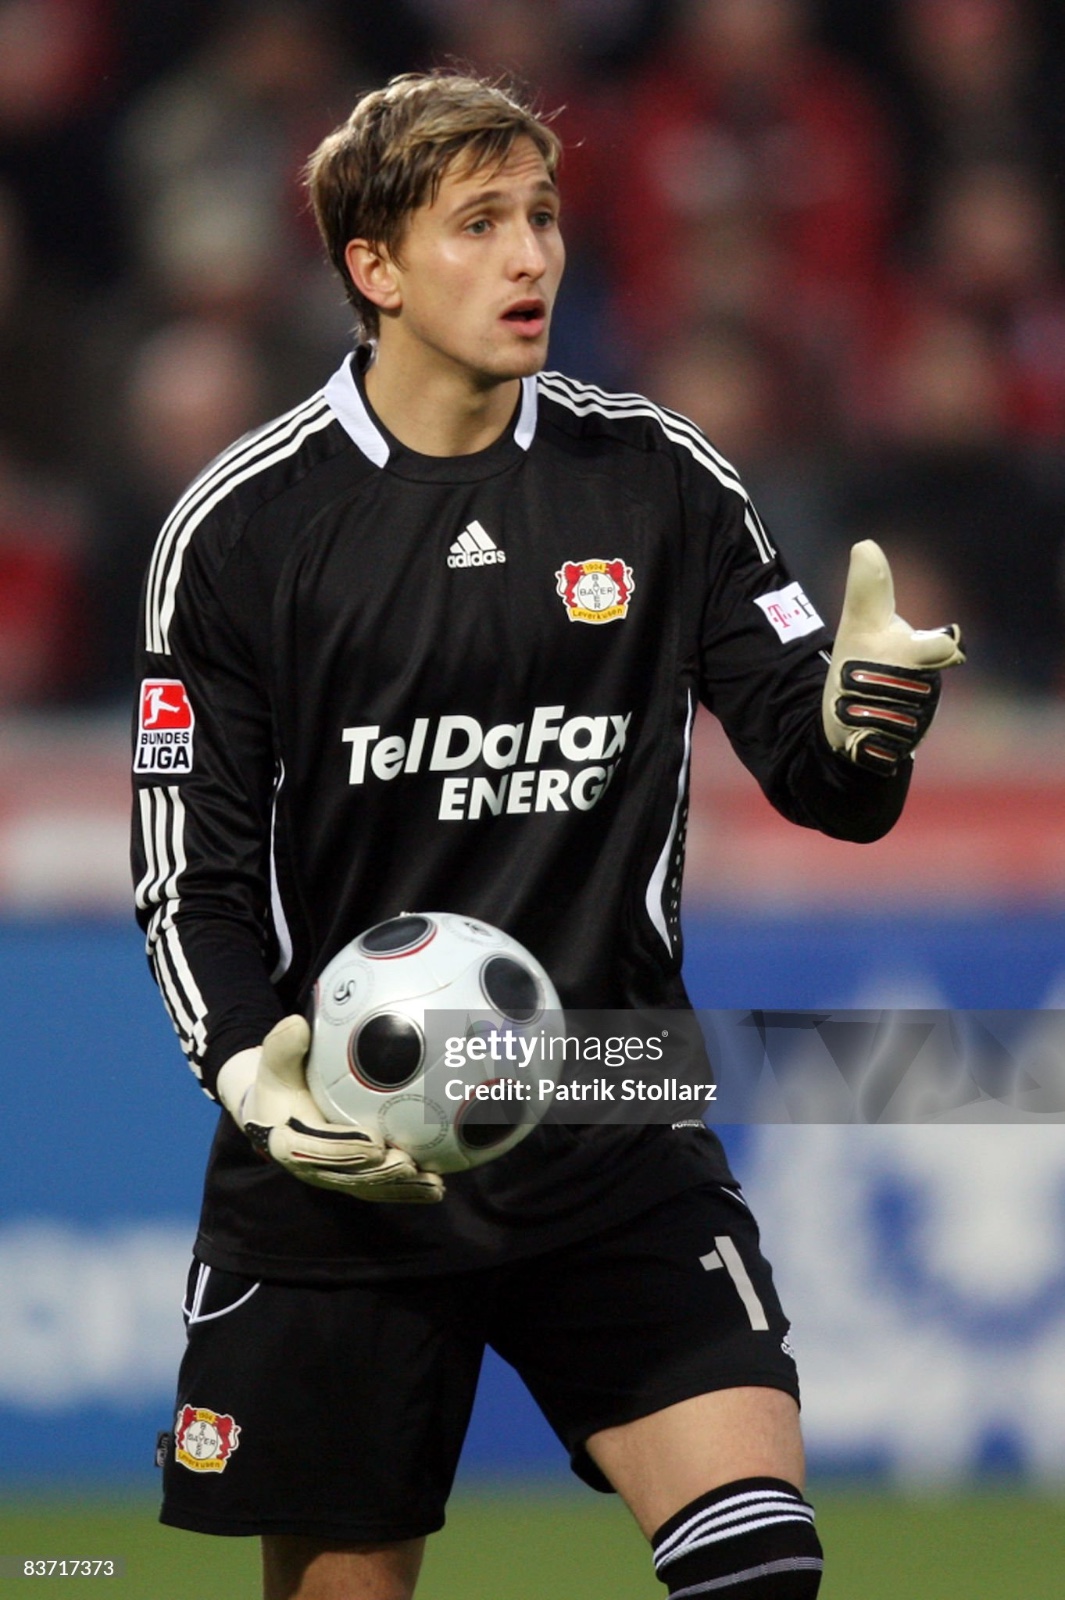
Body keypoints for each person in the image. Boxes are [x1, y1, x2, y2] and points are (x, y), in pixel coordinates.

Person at [132, 70, 964, 1600]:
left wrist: (865, 717)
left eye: (542, 217)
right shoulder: (244, 527)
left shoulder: (654, 479)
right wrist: (260, 1080)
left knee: (761, 1567)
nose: (531, 258)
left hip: (605, 1087)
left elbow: (829, 783)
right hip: (350, 1146)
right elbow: (186, 876)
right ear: (373, 269)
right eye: (478, 225)